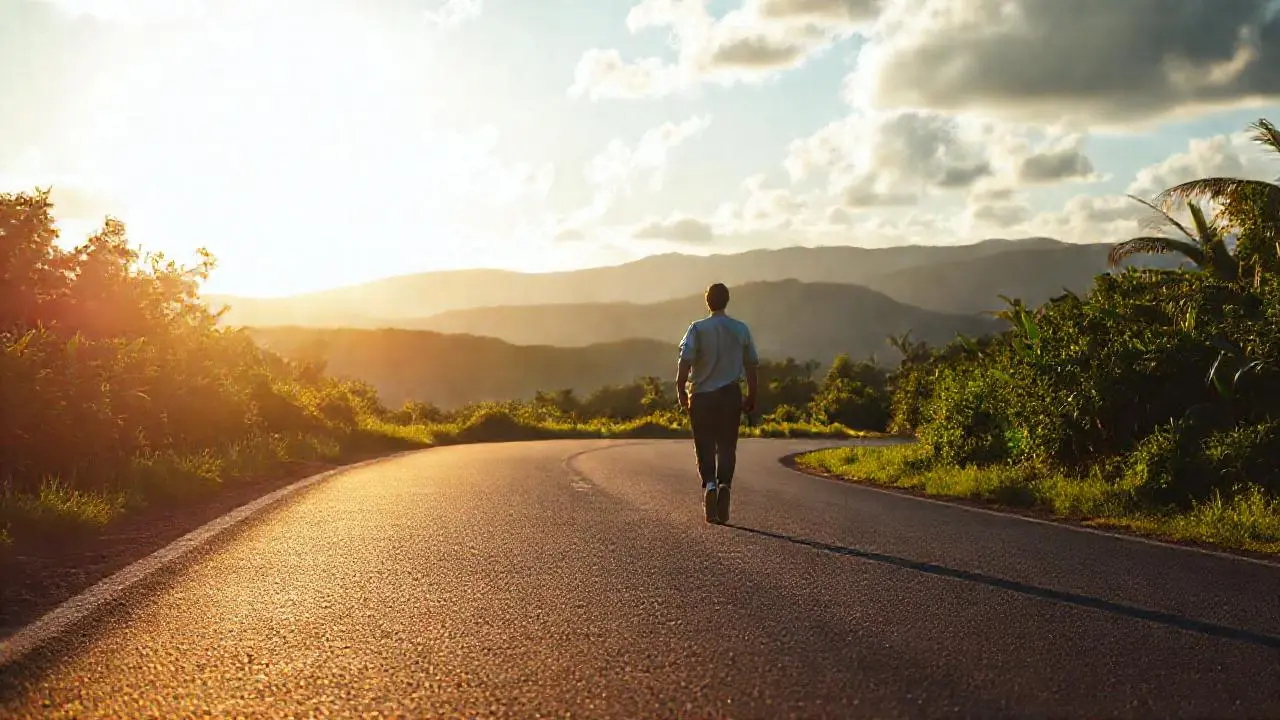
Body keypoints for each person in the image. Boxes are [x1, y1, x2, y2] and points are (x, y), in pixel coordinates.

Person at [676, 282, 759, 524]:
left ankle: (710, 485)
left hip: (702, 396)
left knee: (704, 444)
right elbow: (751, 365)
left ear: (707, 301)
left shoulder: (697, 329)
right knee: (727, 445)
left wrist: (680, 389)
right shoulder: (741, 329)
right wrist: (752, 395)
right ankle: (725, 485)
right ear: (727, 300)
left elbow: (685, 360)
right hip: (729, 395)